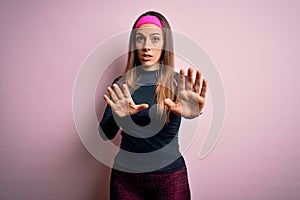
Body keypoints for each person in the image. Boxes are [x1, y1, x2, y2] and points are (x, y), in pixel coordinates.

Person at [99, 11, 207, 200]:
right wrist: (119, 117)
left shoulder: (177, 83)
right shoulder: (122, 84)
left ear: (165, 44)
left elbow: (189, 109)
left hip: (169, 178)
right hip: (126, 179)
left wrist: (194, 113)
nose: (147, 47)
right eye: (140, 39)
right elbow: (104, 134)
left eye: (155, 39)